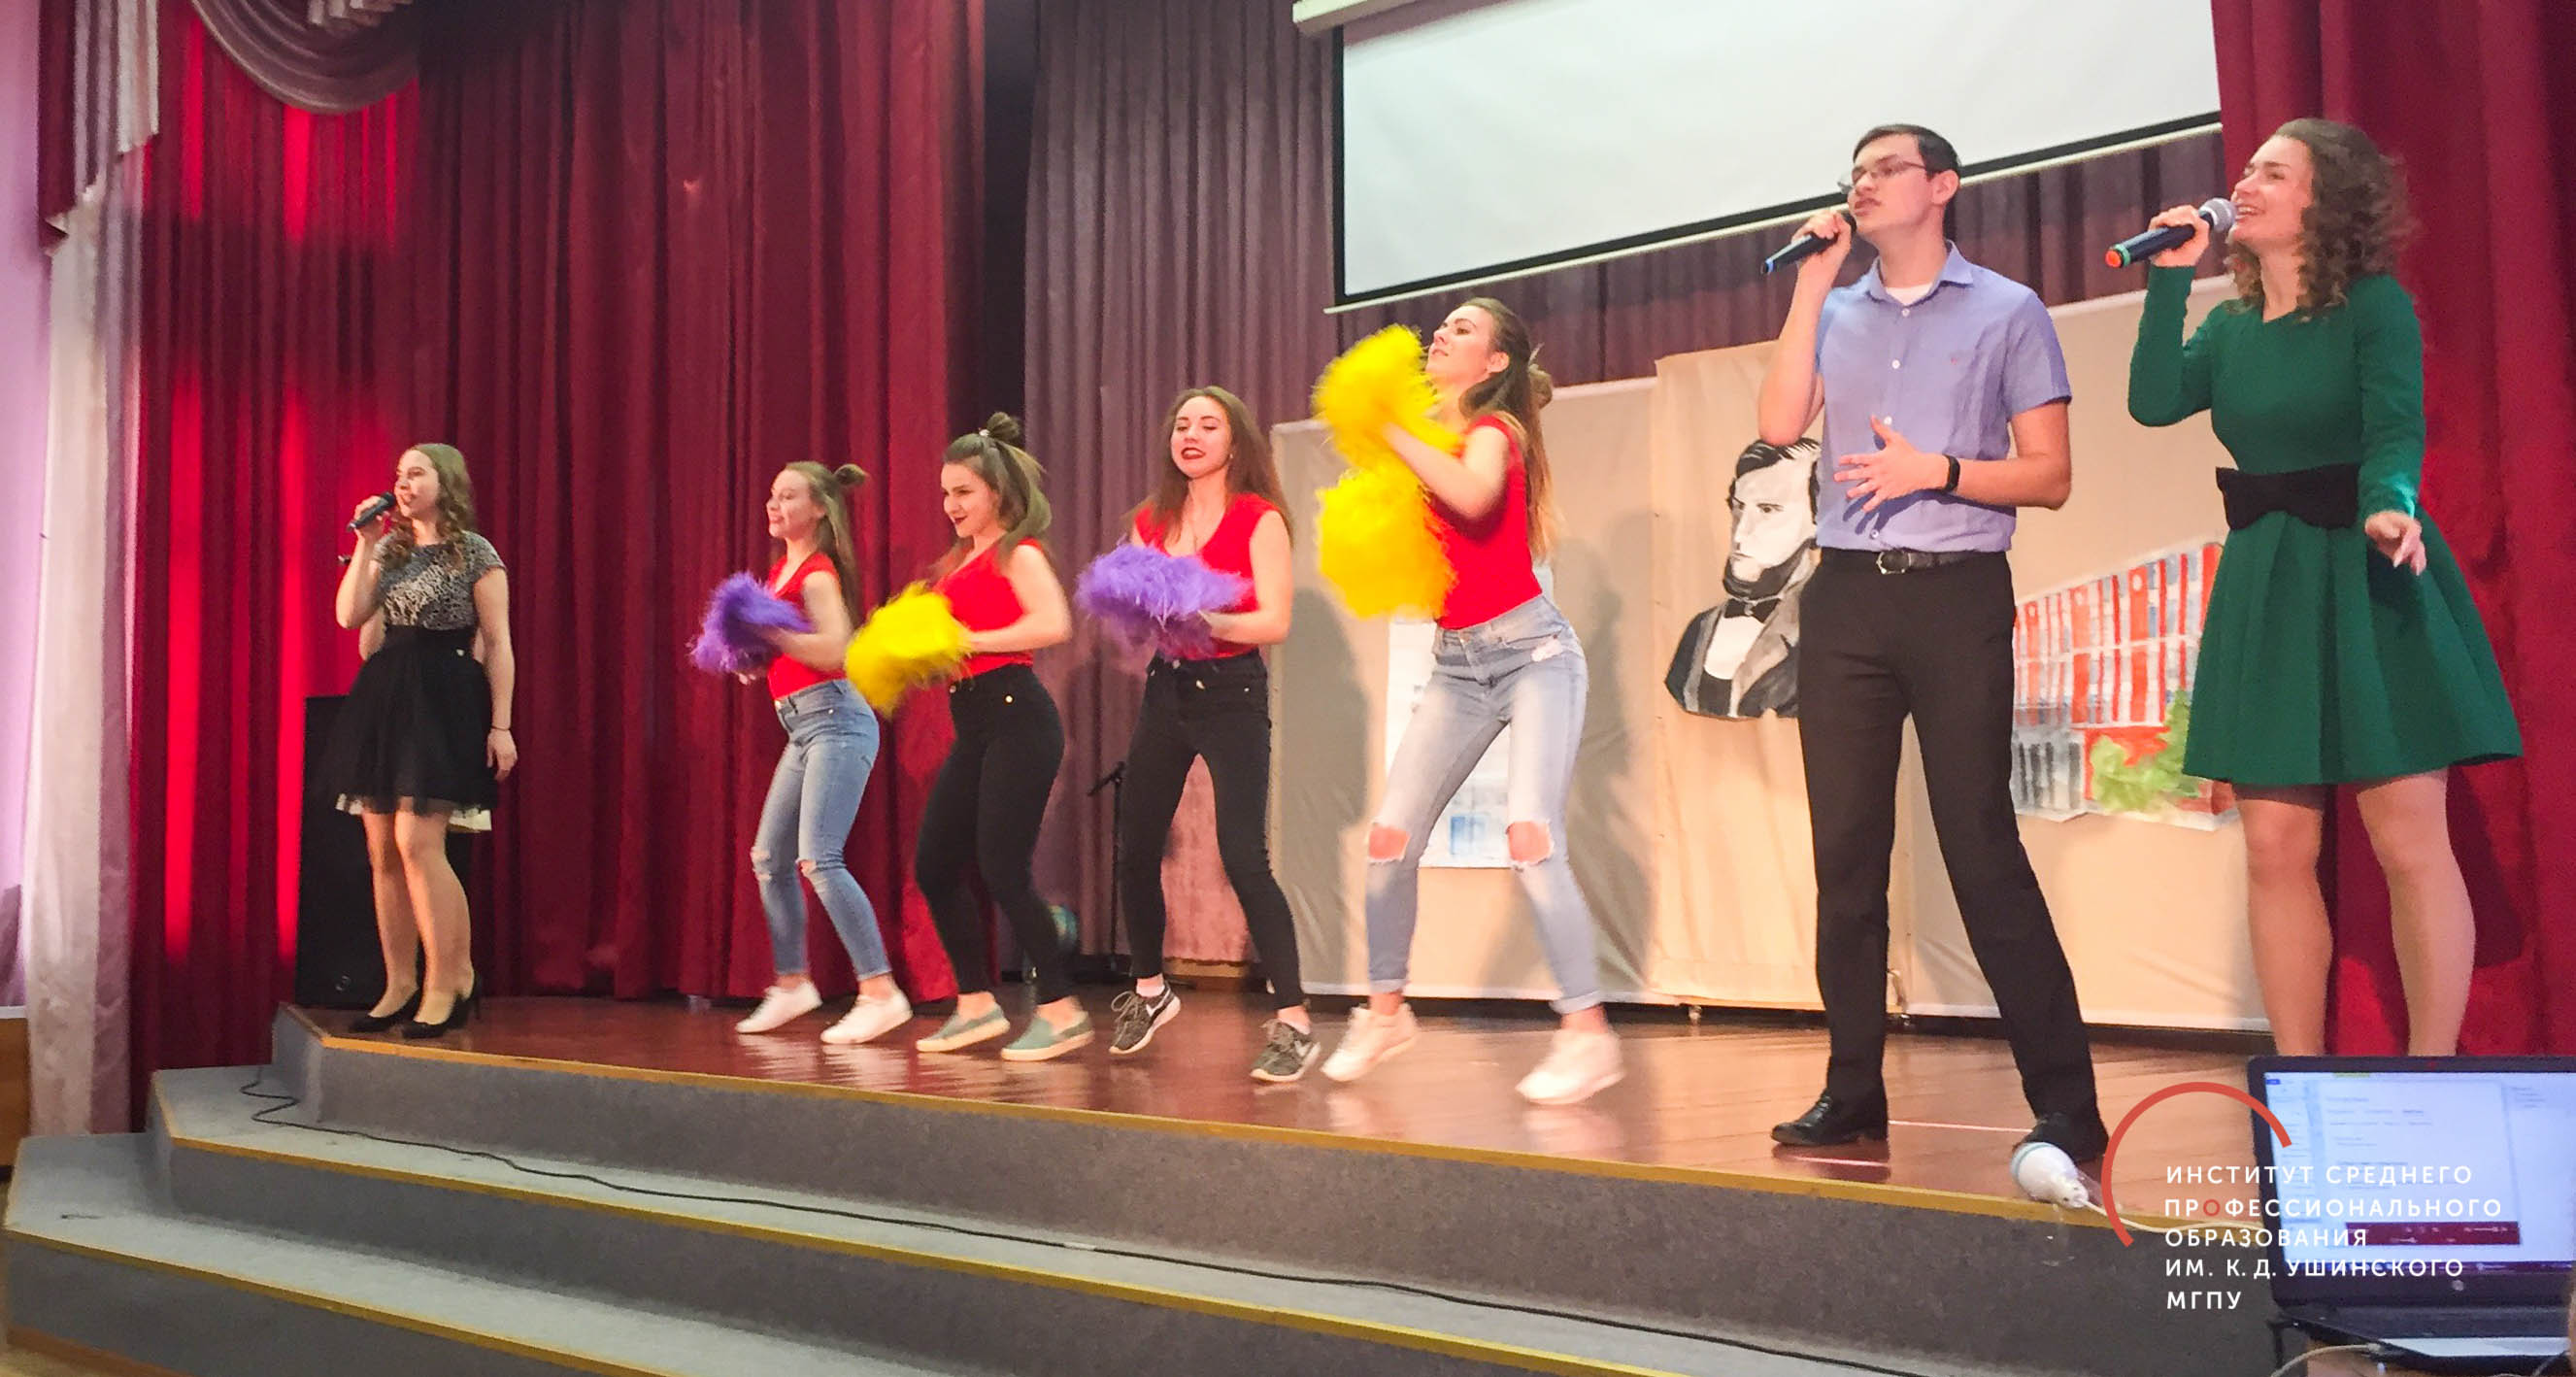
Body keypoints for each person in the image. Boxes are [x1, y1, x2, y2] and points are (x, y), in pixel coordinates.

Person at [2127, 118, 2519, 1057]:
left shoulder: (2371, 306)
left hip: (2364, 565)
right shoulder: (2228, 327)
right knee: (2272, 847)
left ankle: (2431, 1078)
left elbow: (2395, 430)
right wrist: (2169, 277)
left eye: (2272, 172)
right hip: (2269, 579)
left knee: (2405, 840)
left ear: (2325, 200)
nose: (2244, 185)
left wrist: (2388, 505)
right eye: (2246, 169)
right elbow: (2151, 401)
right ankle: (2297, 1086)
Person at [1755, 124, 2105, 1158]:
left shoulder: (2007, 309)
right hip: (1845, 599)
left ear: (1941, 186)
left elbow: (2049, 475)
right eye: (1854, 173)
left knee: (1980, 846)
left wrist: (1936, 471)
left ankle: (2068, 1103)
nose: (1861, 185)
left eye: (1885, 169)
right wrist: (1810, 284)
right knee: (1845, 856)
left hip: (1955, 597)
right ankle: (1852, 1088)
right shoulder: (1835, 309)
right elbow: (1777, 425)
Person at [1321, 296, 1622, 1107]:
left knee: (1530, 836)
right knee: (1388, 839)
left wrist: (1387, 427)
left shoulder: (1494, 432)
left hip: (1534, 657)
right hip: (1456, 667)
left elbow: (1473, 497)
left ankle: (1586, 1034)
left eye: (1462, 329)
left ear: (1494, 363)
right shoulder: (1425, 438)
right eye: (1441, 326)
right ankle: (1386, 1012)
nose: (1440, 335)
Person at [1109, 386, 1319, 1082]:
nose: (1191, 435)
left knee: (1243, 857)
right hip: (1166, 689)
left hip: (1231, 692)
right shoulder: (1149, 520)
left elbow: (1275, 621)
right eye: (1182, 425)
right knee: (1136, 846)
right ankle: (1150, 990)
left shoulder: (1260, 518)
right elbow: (1133, 610)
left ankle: (1294, 1020)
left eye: (1208, 425)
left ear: (1235, 443)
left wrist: (1208, 620)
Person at [322, 444, 515, 1039]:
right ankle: (399, 983)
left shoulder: (474, 552)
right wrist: (364, 543)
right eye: (399, 475)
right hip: (386, 696)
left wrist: (501, 725)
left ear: (444, 482)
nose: (403, 484)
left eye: (416, 473)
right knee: (383, 848)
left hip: (445, 697)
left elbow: (498, 643)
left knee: (418, 843)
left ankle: (449, 980)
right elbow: (350, 616)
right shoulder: (390, 548)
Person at [912, 414, 1084, 1060]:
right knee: (934, 865)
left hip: (1018, 718)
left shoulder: (1020, 552)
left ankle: (1062, 1011)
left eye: (964, 492)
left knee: (1003, 867)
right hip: (976, 722)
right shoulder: (958, 563)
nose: (951, 505)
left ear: (998, 494)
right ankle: (976, 1005)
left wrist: (968, 641)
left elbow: (1053, 623)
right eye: (945, 493)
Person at [731, 462, 914, 1045]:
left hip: (836, 719)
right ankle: (792, 983)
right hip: (803, 725)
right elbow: (791, 651)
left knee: (820, 859)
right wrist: (754, 658)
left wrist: (773, 637)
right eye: (772, 495)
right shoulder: (780, 571)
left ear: (818, 510)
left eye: (788, 496)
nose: (774, 505)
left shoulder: (817, 574)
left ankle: (880, 991)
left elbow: (836, 649)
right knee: (769, 857)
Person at [1665, 438, 1822, 719]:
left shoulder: (1826, 628)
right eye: (1738, 508)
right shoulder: (1700, 629)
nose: (1740, 534)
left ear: (1817, 519)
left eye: (1767, 510)